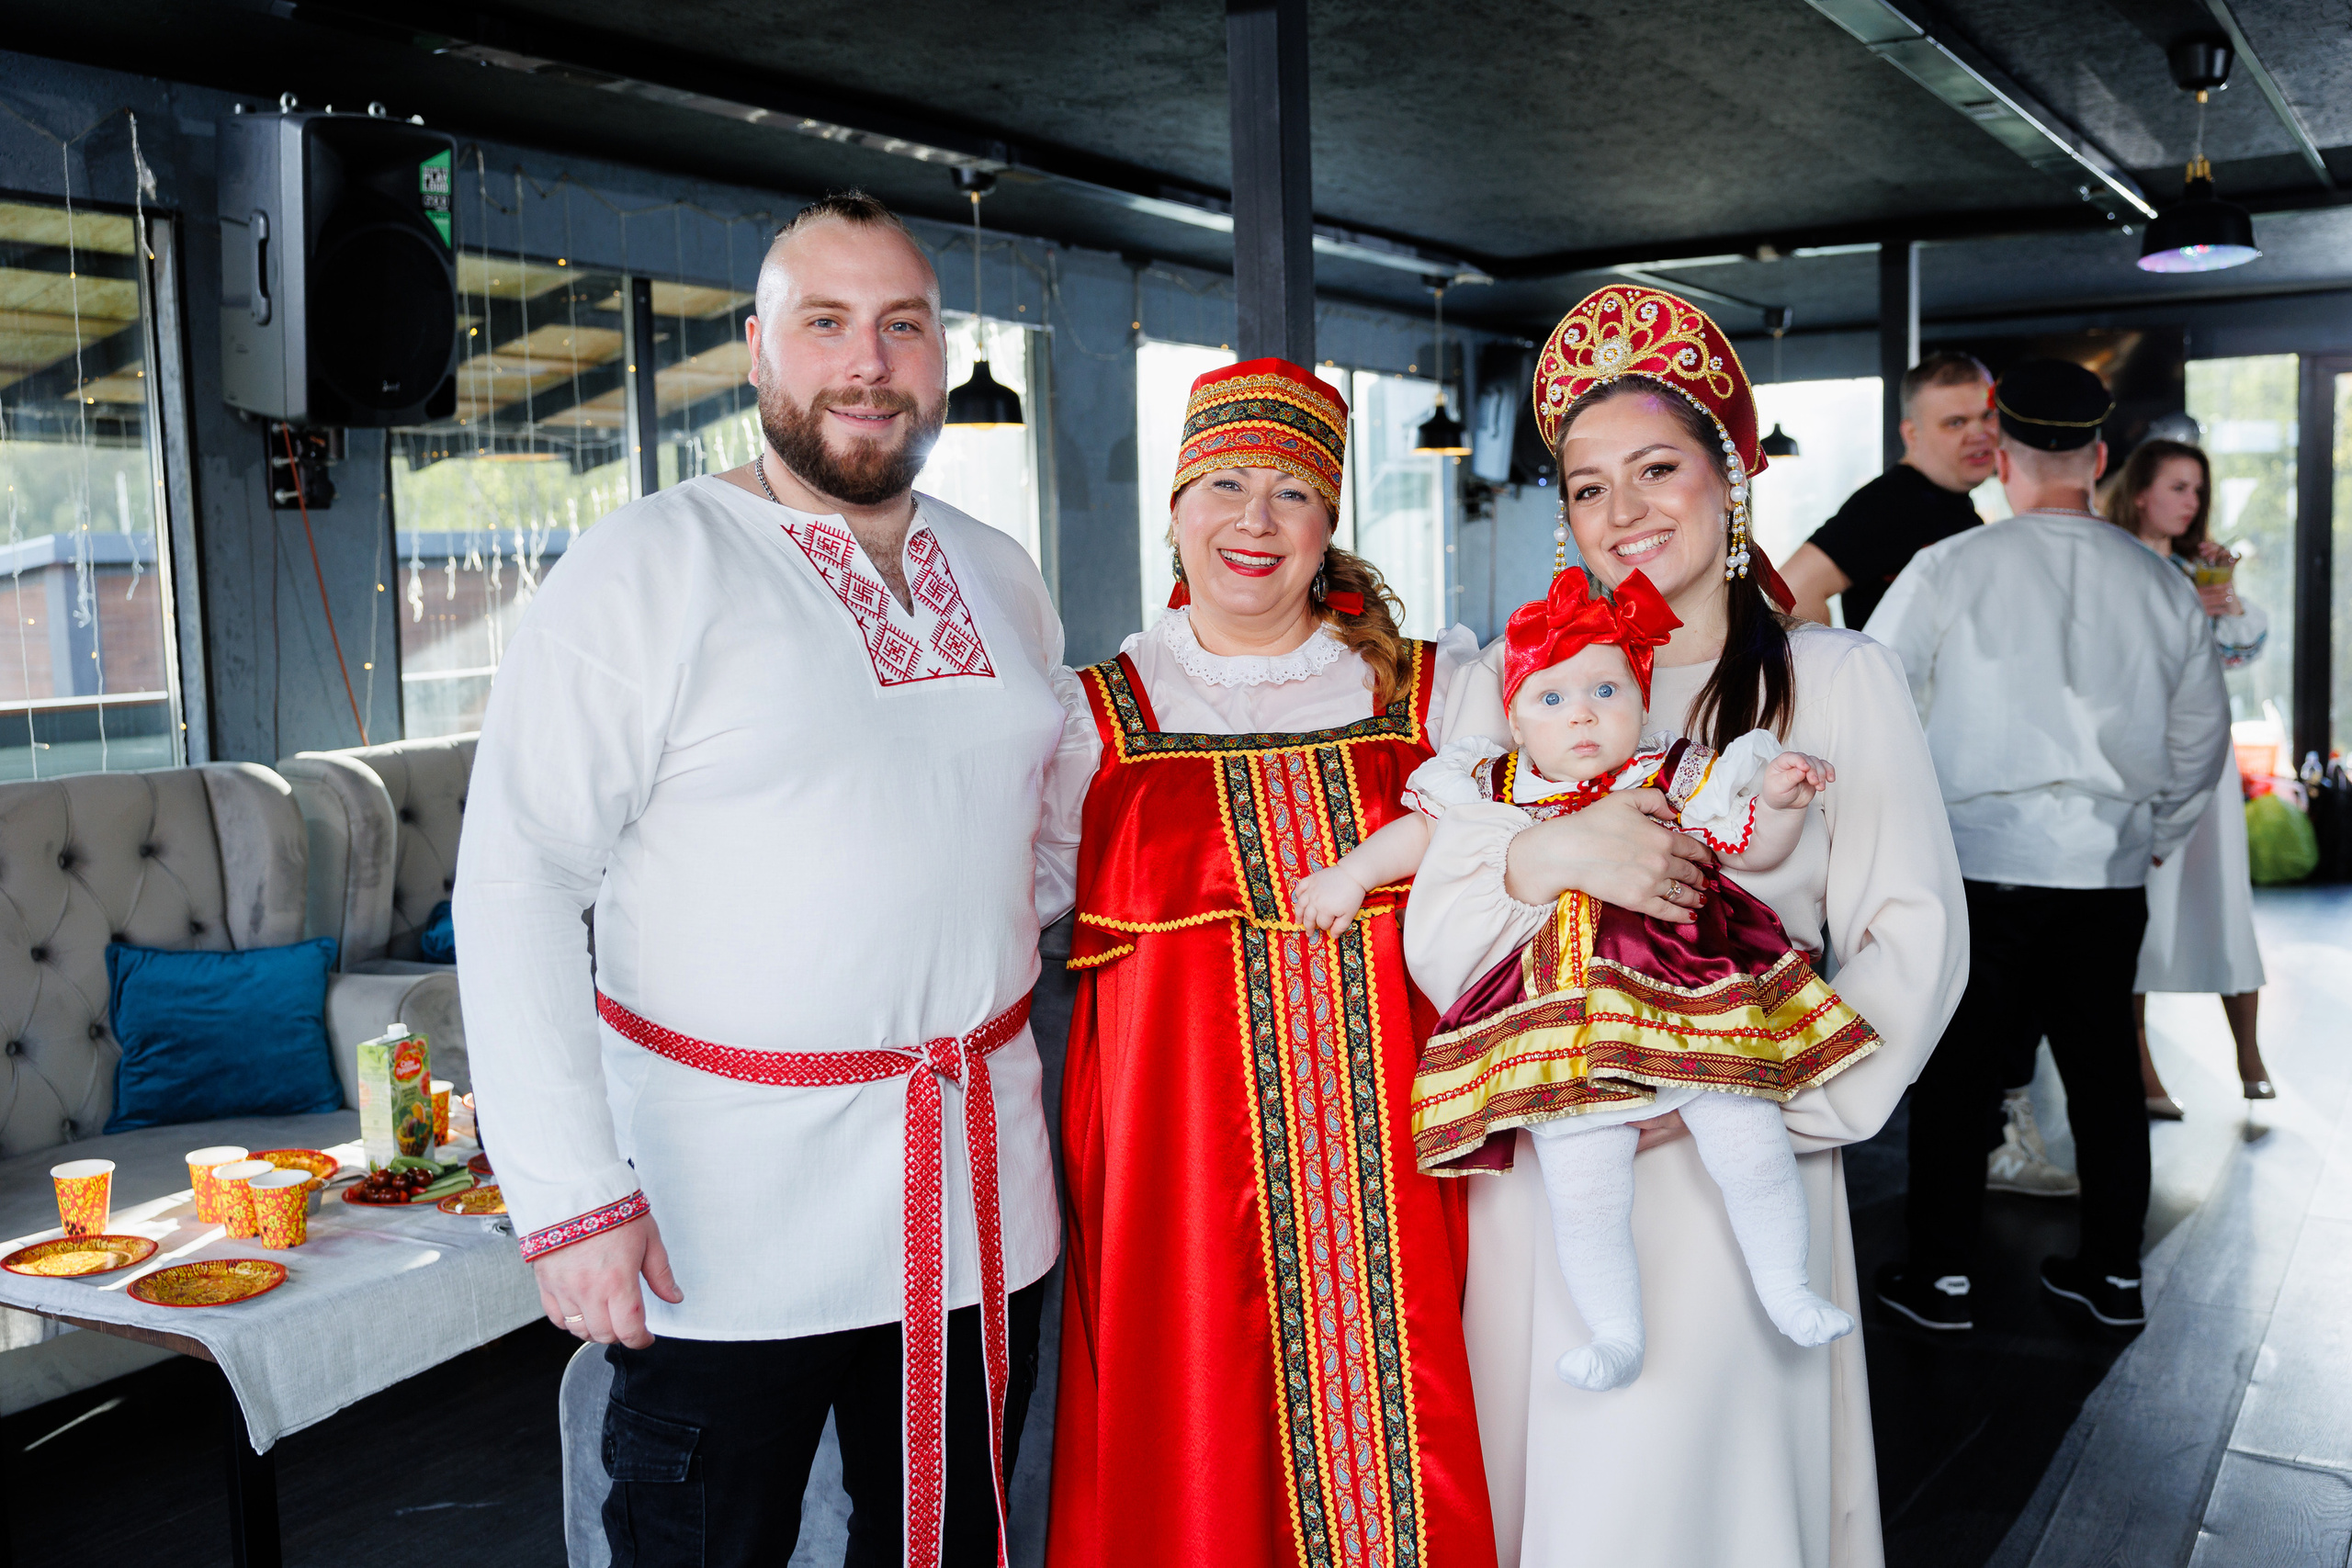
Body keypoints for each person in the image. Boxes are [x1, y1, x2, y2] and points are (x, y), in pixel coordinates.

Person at [455, 193, 1070, 1568]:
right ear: (756, 350)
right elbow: (515, 879)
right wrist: (571, 1194)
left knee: (950, 1543)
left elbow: (1037, 842)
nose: (869, 361)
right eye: (827, 323)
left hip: (976, 1192)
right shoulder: (642, 569)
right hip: (718, 1221)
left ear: (941, 352)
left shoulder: (1002, 570)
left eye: (901, 325)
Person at [1405, 285, 1967, 1568]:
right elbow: (1440, 928)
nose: (1625, 511)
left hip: (1737, 1175)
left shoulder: (1833, 677)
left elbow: (1914, 934)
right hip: (1556, 1172)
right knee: (1567, 1491)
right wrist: (1546, 851)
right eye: (1591, 486)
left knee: (1703, 1500)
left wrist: (1764, 1094)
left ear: (1733, 481)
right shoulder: (1517, 680)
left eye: (1659, 468)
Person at [1038, 358, 1498, 1568]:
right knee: (1192, 1437)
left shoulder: (1435, 694)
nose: (1255, 517)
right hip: (1173, 1176)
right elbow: (990, 918)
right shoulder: (1089, 715)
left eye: (1292, 492)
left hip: (1407, 1165)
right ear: (1177, 509)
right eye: (1226, 482)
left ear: (1329, 525)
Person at [1299, 564, 1874, 1395]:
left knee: (1747, 1139)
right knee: (1583, 1178)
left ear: (1641, 700)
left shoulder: (1674, 772)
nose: (1582, 715)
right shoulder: (1493, 785)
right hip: (1561, 1019)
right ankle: (1615, 1328)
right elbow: (1416, 843)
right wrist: (1351, 876)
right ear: (1516, 714)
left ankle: (1787, 1287)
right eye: (1553, 698)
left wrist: (1781, 798)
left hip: (1692, 989)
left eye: (1606, 690)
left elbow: (1751, 842)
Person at [1867, 359, 2233, 1334]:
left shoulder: (1948, 567)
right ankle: (2113, 1276)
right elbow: (2200, 738)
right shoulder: (2160, 584)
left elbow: (1877, 704)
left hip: (1978, 860)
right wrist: (2153, 835)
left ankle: (1940, 1278)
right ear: (2100, 455)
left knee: (1956, 1072)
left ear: (2002, 461)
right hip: (2106, 867)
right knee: (2105, 1072)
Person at [2102, 437, 2277, 1113]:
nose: (2191, 502)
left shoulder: (2194, 573)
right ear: (2139, 490)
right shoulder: (2117, 567)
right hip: (2140, 757)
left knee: (2224, 896)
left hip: (2207, 757)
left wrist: (2223, 599)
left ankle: (2250, 1051)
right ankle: (2140, 1065)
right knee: (2139, 911)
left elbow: (2239, 654)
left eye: (2197, 490)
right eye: (2178, 486)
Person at [1779, 351, 1996, 629]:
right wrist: (1838, 667)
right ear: (1912, 435)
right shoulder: (1889, 503)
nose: (1979, 434)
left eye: (1988, 415)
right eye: (1956, 422)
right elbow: (1791, 590)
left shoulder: (1950, 504)